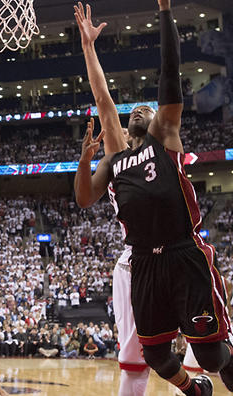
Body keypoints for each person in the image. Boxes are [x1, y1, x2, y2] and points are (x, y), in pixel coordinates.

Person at [74, 1, 233, 395]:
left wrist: (164, 11)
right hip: (144, 261)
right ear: (125, 130)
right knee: (158, 357)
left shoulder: (166, 138)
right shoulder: (114, 157)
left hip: (183, 252)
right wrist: (88, 48)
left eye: (148, 108)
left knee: (212, 356)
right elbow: (84, 196)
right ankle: (194, 390)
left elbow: (170, 74)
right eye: (136, 111)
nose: (141, 110)